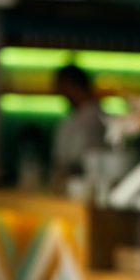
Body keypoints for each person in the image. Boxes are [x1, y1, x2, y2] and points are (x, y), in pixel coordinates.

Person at [51, 64, 106, 192]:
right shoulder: (107, 118)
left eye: (61, 89)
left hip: (82, 194)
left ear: (70, 86)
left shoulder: (94, 120)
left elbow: (62, 169)